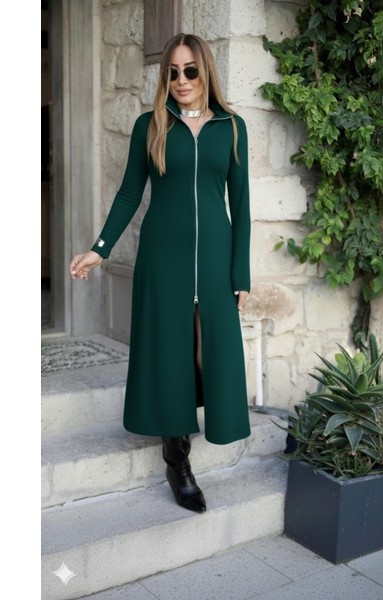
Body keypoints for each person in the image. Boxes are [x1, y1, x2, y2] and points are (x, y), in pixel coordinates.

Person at [69, 33, 251, 514]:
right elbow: (130, 192)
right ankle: (178, 460)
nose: (181, 80)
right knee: (171, 351)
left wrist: (241, 273)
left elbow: (242, 205)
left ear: (205, 71)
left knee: (205, 352)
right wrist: (100, 249)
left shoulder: (232, 128)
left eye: (190, 70)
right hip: (163, 258)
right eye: (172, 72)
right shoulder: (150, 125)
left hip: (215, 259)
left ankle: (192, 428)